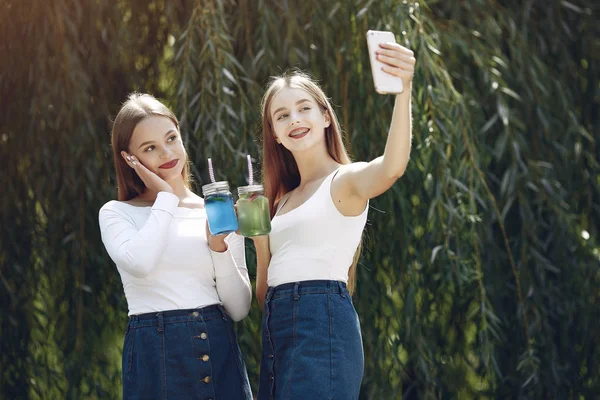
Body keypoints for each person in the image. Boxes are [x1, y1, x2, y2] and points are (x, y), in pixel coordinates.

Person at [252, 41, 415, 399]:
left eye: (304, 108)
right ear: (275, 135)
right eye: (281, 116)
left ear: (325, 117)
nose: (294, 119)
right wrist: (260, 244)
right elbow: (265, 296)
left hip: (321, 330)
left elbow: (392, 166)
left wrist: (404, 92)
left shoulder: (345, 181)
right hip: (277, 333)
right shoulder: (280, 201)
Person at [98, 93, 253, 399]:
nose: (166, 152)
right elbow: (140, 261)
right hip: (157, 356)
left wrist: (218, 247)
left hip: (219, 349)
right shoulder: (116, 213)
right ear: (129, 159)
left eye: (171, 138)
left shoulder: (217, 210)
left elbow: (238, 308)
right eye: (149, 148)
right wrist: (166, 197)